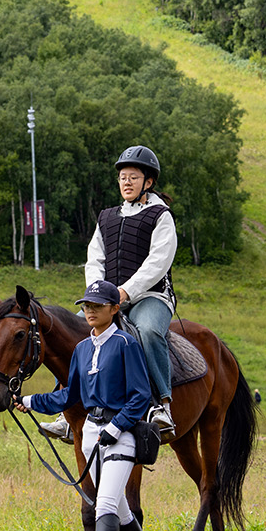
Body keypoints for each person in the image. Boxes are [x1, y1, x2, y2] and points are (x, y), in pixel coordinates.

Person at [17, 280, 158, 531]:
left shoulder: (126, 344)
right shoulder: (82, 349)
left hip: (120, 434)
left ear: (114, 309)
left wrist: (118, 426)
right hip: (91, 433)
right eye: (86, 306)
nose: (90, 311)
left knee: (105, 503)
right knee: (119, 509)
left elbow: (140, 396)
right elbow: (70, 396)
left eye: (97, 306)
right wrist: (29, 400)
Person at [87, 145, 177, 440]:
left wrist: (125, 292)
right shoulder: (106, 217)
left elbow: (158, 262)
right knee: (76, 332)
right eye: (123, 177)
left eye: (133, 177)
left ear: (148, 182)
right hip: (109, 299)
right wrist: (95, 293)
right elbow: (95, 258)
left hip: (151, 296)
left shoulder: (160, 215)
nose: (126, 182)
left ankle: (163, 405)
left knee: (149, 331)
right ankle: (68, 409)